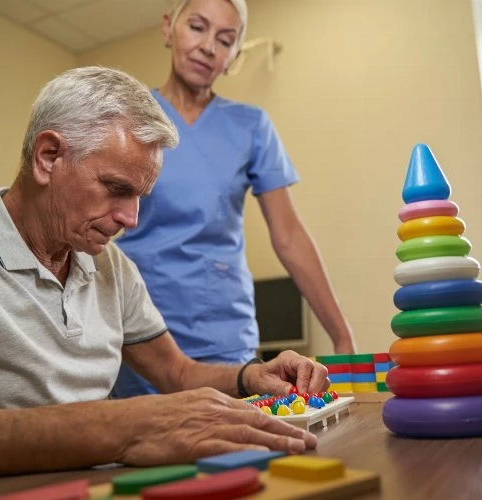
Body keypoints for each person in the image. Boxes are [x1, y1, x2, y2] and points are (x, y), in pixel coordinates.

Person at [0, 66, 330, 486]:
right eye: (117, 189)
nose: (131, 219)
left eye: (141, 196)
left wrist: (250, 377)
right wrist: (117, 427)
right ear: (48, 156)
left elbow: (176, 373)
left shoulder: (113, 268)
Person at [113, 0, 357, 398]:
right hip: (142, 336)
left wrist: (342, 337)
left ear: (234, 56)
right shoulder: (131, 117)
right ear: (168, 29)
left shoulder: (251, 126)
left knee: (239, 456)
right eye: (197, 27)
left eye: (225, 39)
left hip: (223, 335)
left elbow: (290, 237)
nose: (208, 46)